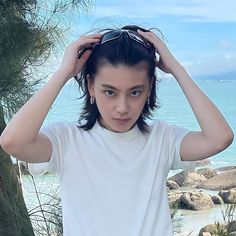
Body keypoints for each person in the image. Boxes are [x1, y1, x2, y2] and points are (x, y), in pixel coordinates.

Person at [0, 25, 234, 236]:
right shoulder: (66, 140)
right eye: (110, 92)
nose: (122, 108)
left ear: (150, 88)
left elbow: (219, 138)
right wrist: (63, 73)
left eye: (135, 92)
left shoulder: (162, 139)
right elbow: (13, 142)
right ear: (91, 85)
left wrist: (176, 68)